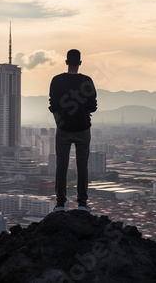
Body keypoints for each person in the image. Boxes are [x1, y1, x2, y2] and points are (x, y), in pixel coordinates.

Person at [49, 49, 97, 212]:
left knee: (61, 165)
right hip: (83, 129)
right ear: (80, 63)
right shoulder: (87, 81)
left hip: (63, 129)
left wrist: (60, 122)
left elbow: (53, 106)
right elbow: (93, 107)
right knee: (82, 165)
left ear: (66, 62)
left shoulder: (57, 80)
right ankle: (82, 203)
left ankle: (60, 203)